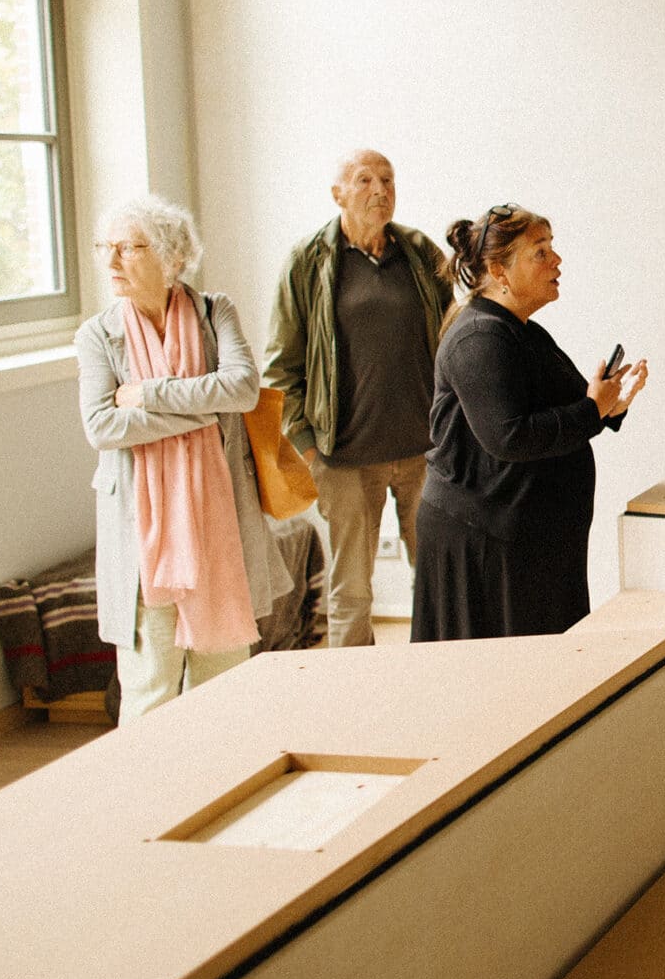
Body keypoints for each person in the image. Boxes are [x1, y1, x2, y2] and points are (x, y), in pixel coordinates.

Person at [75, 196, 291, 720]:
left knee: (226, 689)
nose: (111, 261)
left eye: (130, 248)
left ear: (173, 258)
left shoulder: (216, 312)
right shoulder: (98, 334)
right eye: (106, 247)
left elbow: (242, 389)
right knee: (149, 692)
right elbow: (102, 426)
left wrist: (148, 395)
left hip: (220, 528)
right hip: (143, 539)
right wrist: (202, 412)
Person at [412, 204, 647, 642]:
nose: (556, 260)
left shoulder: (521, 331)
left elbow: (570, 409)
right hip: (484, 542)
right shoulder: (479, 337)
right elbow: (510, 436)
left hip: (523, 539)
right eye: (540, 252)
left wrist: (610, 405)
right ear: (498, 270)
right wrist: (593, 409)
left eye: (551, 247)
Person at [263, 150, 451, 648]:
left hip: (425, 453)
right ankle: (351, 689)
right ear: (338, 194)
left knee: (438, 581)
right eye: (365, 180)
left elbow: (455, 334)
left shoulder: (418, 252)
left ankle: (441, 674)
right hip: (343, 459)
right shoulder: (308, 262)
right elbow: (279, 368)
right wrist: (308, 450)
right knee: (351, 592)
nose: (380, 190)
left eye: (388, 179)